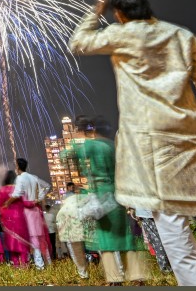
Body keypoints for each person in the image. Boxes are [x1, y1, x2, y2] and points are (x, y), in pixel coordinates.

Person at [69, 0, 196, 286]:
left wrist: (95, 9)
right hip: (192, 138)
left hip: (150, 146)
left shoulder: (122, 35)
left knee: (174, 233)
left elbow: (78, 43)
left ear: (118, 15)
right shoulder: (183, 36)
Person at [62, 115, 149, 285]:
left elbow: (65, 156)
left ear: (92, 130)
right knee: (124, 235)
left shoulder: (90, 145)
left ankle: (115, 278)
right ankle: (137, 276)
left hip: (101, 195)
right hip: (116, 194)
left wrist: (76, 140)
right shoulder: (111, 146)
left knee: (105, 238)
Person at [12, 158, 51, 268]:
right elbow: (47, 186)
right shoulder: (34, 177)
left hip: (27, 212)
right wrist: (38, 199)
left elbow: (16, 194)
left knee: (32, 238)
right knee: (40, 237)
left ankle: (39, 265)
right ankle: (47, 261)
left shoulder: (20, 178)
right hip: (36, 210)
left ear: (18, 167)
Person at [0, 171, 30, 267]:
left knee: (12, 243)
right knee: (22, 242)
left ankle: (16, 264)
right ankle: (24, 265)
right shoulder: (18, 189)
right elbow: (27, 203)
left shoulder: (2, 190)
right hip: (20, 219)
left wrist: (4, 213)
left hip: (8, 220)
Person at [55, 185, 89, 280]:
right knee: (78, 250)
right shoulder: (79, 200)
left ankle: (82, 273)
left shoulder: (65, 206)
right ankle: (84, 273)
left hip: (71, 231)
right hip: (76, 228)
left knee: (75, 251)